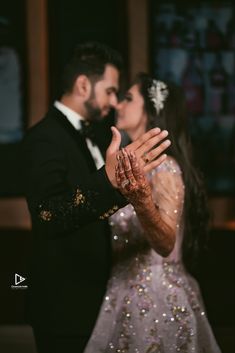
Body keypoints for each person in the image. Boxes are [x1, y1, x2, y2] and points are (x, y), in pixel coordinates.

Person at [22, 44, 170, 353]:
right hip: (64, 303)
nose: (114, 102)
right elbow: (48, 214)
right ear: (83, 85)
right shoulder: (44, 137)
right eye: (111, 91)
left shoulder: (100, 137)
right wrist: (108, 180)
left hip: (100, 299)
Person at [84, 73, 221, 352]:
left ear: (152, 109)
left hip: (156, 300)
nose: (118, 105)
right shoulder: (128, 164)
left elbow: (166, 242)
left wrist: (141, 201)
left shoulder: (166, 167)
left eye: (128, 99)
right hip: (120, 292)